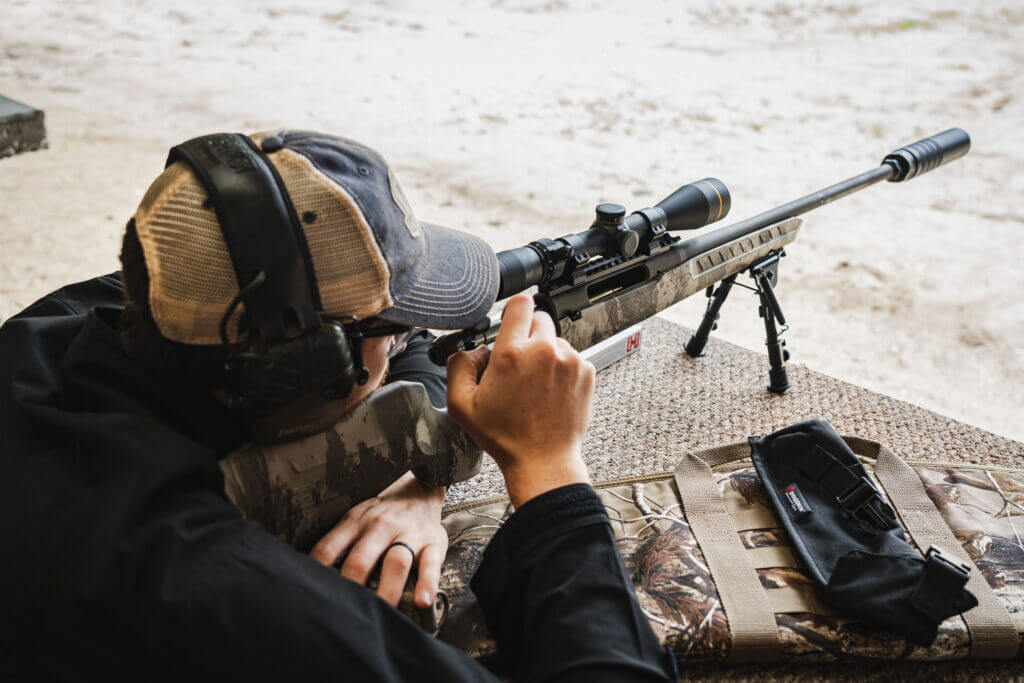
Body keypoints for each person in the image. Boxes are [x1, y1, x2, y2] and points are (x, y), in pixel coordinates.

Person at [0, 131, 675, 681]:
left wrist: (420, 474)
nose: (415, 340)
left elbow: (399, 360)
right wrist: (550, 467)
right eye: (398, 328)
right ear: (306, 368)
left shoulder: (95, 319)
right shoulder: (224, 589)